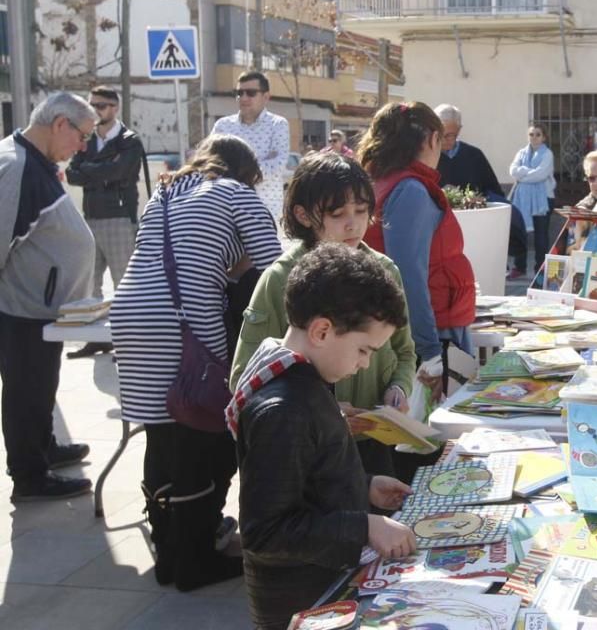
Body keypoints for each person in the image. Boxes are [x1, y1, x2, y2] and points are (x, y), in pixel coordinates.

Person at [111, 134, 281, 590]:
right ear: (246, 172)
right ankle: (193, 562)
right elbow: (278, 268)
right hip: (182, 325)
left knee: (161, 436)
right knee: (200, 439)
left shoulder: (165, 192)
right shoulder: (236, 193)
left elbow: (178, 256)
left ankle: (169, 551)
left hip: (129, 316)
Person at [228, 243, 417, 630]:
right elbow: (265, 532)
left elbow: (306, 478)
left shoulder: (306, 379)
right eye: (364, 350)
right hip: (303, 602)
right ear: (322, 330)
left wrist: (362, 486)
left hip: (320, 589)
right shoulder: (284, 409)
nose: (364, 363)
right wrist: (365, 526)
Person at [230, 153, 419, 480]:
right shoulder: (280, 279)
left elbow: (404, 351)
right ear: (303, 215)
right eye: (337, 214)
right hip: (307, 451)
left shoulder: (385, 272)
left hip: (372, 443)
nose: (353, 224)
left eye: (361, 211)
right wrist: (321, 413)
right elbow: (247, 376)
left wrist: (399, 388)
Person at [0, 92, 97, 502]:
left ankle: (44, 447)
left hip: (42, 308)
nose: (83, 147)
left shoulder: (35, 162)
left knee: (42, 385)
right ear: (60, 124)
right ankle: (29, 475)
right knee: (26, 390)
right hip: (22, 309)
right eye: (82, 136)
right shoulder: (16, 165)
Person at [360, 102, 476, 416]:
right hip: (431, 330)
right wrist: (430, 353)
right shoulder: (409, 189)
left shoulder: (384, 181)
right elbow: (407, 276)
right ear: (430, 139)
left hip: (419, 326)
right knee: (433, 438)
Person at [64, 86, 150, 358]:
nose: (94, 110)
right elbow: (72, 174)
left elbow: (119, 170)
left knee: (124, 283)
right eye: (91, 105)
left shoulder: (128, 140)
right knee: (91, 282)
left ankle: (128, 341)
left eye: (100, 105)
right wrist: (99, 172)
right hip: (90, 216)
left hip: (118, 217)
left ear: (115, 107)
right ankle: (98, 338)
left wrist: (90, 170)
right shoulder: (87, 139)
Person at [434, 104, 529, 279]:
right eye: (442, 135)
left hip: (475, 232)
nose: (447, 140)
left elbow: (494, 191)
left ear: (459, 130)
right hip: (440, 233)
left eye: (452, 135)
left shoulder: (474, 155)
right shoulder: (429, 156)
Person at [211, 71, 291, 222]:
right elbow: (210, 161)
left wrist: (234, 173)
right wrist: (257, 164)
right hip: (226, 211)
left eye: (251, 93)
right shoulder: (223, 126)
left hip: (265, 211)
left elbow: (277, 164)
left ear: (266, 97)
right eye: (240, 93)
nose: (244, 98)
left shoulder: (277, 125)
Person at [508, 124, 556, 277]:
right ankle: (519, 268)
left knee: (541, 236)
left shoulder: (547, 154)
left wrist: (523, 174)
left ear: (544, 137)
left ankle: (540, 270)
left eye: (538, 134)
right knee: (520, 232)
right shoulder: (521, 153)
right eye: (531, 134)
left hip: (543, 199)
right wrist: (527, 173)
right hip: (522, 199)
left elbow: (541, 175)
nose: (534, 137)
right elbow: (513, 171)